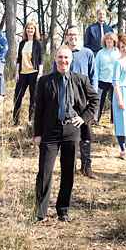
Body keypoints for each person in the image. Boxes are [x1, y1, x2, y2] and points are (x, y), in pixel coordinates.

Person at [33, 47, 99, 222]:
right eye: (60, 57)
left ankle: (63, 210)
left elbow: (95, 100)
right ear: (55, 59)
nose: (63, 61)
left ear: (71, 60)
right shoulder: (45, 81)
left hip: (71, 130)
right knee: (45, 172)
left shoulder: (81, 80)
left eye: (66, 58)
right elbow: (38, 109)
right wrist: (37, 133)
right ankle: (40, 213)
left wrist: (84, 118)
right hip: (50, 131)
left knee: (68, 171)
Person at [53, 25, 98, 178]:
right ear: (66, 36)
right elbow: (55, 75)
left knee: (85, 133)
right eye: (70, 34)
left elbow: (93, 76)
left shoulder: (87, 53)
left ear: (79, 36)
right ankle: (69, 166)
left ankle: (86, 166)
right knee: (68, 135)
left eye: (75, 34)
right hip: (66, 97)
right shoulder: (62, 53)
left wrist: (93, 96)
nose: (72, 37)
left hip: (83, 97)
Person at [13, 21, 44, 125]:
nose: (30, 30)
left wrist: (40, 74)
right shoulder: (22, 43)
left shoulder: (38, 44)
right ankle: (15, 121)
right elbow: (18, 59)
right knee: (17, 96)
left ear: (35, 31)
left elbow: (40, 60)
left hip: (34, 73)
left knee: (33, 98)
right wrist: (17, 73)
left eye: (32, 28)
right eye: (28, 28)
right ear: (25, 30)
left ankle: (31, 120)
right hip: (22, 74)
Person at [94, 32, 121, 124]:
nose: (109, 41)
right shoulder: (100, 53)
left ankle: (114, 120)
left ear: (114, 41)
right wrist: (96, 80)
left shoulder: (117, 52)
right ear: (104, 41)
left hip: (114, 81)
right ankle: (96, 119)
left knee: (114, 101)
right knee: (99, 100)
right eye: (107, 39)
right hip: (102, 80)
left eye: (111, 40)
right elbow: (96, 68)